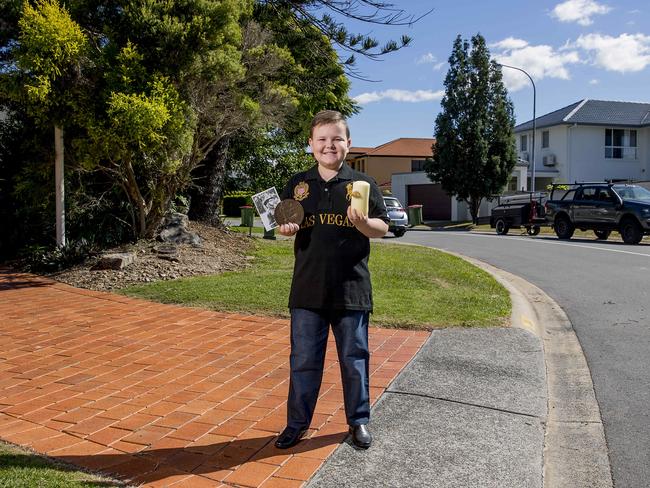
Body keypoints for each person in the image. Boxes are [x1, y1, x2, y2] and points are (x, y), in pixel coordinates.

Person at [275, 110, 389, 450]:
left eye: (336, 139)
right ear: (311, 144)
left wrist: (364, 224)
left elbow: (383, 227)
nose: (329, 145)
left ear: (348, 144)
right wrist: (284, 230)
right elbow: (283, 224)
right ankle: (296, 424)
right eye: (322, 139)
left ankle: (359, 422)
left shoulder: (362, 185)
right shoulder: (298, 185)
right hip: (307, 291)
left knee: (354, 360)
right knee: (303, 362)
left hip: (351, 289)